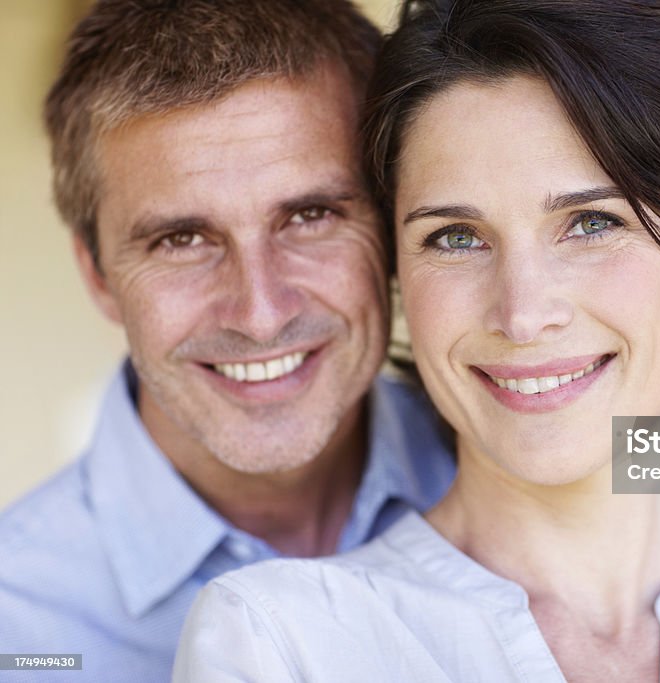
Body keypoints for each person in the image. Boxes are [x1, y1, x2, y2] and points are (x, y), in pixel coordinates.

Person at [173, 2, 660, 682]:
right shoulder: (285, 643)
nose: (522, 314)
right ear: (398, 281)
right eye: (455, 237)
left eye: (592, 223)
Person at [0, 1, 454, 680]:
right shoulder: (18, 627)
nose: (261, 314)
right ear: (96, 272)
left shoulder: (518, 448)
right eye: (181, 239)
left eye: (310, 215)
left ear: (390, 228)